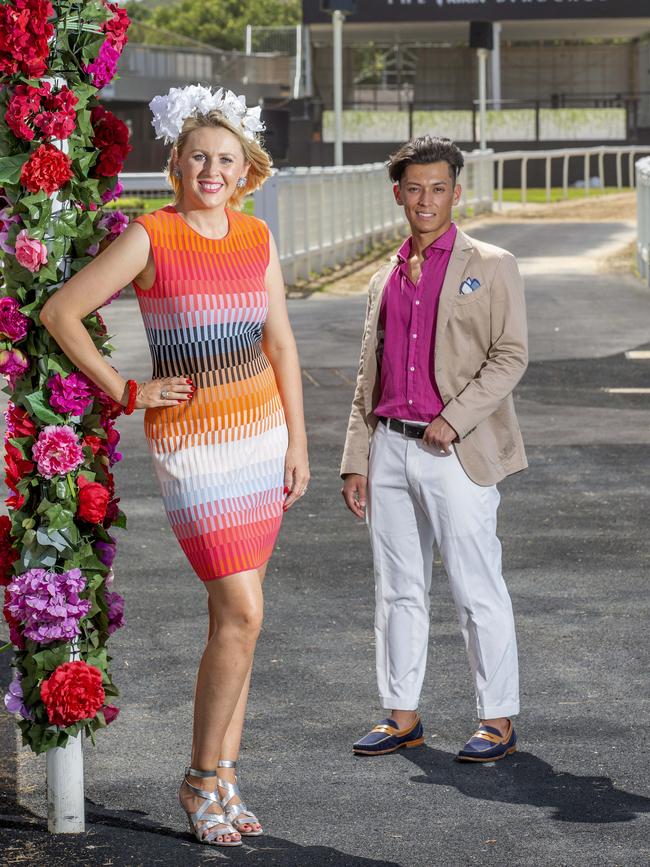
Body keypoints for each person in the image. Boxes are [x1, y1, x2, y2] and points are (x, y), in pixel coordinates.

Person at [41, 86, 310, 847]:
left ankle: (225, 769)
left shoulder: (257, 237)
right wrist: (127, 388)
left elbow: (281, 344)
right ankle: (197, 779)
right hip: (194, 446)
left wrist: (299, 442)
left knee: (240, 618)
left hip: (260, 440)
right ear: (177, 162)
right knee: (244, 611)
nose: (212, 168)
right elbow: (62, 313)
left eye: (226, 157)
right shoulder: (151, 235)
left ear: (244, 166)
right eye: (199, 156)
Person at [340, 136, 527, 763]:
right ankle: (402, 715)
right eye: (414, 188)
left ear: (456, 191)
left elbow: (510, 356)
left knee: (477, 586)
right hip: (388, 447)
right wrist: (356, 459)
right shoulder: (382, 278)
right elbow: (370, 375)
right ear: (398, 193)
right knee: (396, 586)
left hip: (457, 450)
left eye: (438, 188)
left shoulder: (492, 264)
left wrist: (454, 418)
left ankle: (496, 718)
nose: (426, 199)